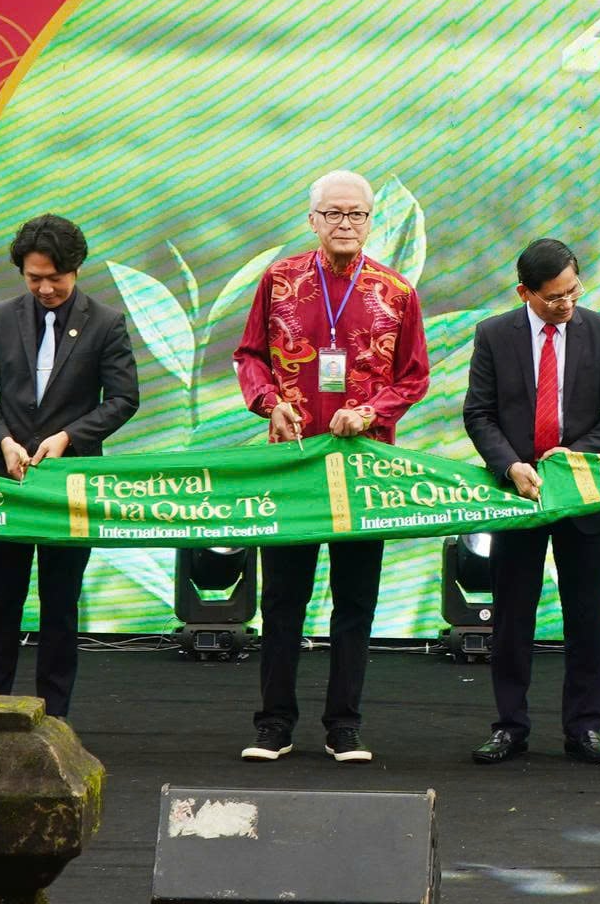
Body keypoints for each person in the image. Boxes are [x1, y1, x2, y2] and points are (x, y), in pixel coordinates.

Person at [234, 169, 430, 764]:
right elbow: (250, 356)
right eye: (334, 213)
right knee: (282, 599)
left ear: (371, 221)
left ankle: (344, 725)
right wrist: (269, 402)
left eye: (357, 214)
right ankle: (274, 724)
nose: (346, 223)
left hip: (363, 468)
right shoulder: (280, 279)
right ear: (312, 219)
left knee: (355, 600)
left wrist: (371, 411)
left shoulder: (396, 291)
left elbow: (414, 377)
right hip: (293, 462)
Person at [461, 238, 600, 765]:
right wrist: (509, 465)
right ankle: (509, 726)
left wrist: (575, 457)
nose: (567, 303)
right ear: (525, 293)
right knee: (512, 617)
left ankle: (584, 728)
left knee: (586, 616)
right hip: (518, 494)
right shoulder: (494, 334)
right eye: (555, 297)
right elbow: (478, 413)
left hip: (582, 495)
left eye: (573, 291)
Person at [0, 213, 141, 720]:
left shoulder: (105, 322)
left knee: (61, 603)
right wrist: (2, 441)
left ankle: (54, 715)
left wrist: (69, 437)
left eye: (55, 278)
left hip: (72, 483)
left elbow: (124, 398)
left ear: (76, 268)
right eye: (34, 278)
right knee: (0, 599)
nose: (44, 288)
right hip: (9, 480)